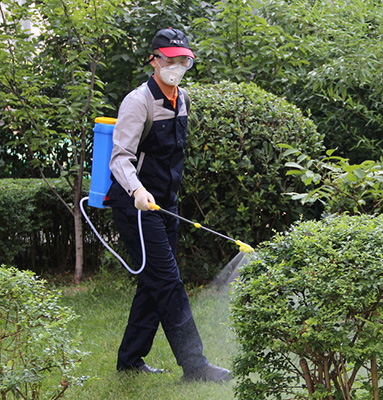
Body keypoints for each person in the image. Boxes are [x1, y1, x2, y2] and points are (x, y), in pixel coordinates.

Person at [104, 27, 232, 382]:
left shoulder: (182, 99)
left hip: (166, 206)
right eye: (169, 59)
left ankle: (129, 361)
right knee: (169, 283)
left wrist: (163, 197)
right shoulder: (138, 101)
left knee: (153, 283)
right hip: (136, 206)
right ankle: (195, 366)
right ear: (154, 60)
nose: (175, 66)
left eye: (183, 60)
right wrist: (137, 191)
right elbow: (120, 158)